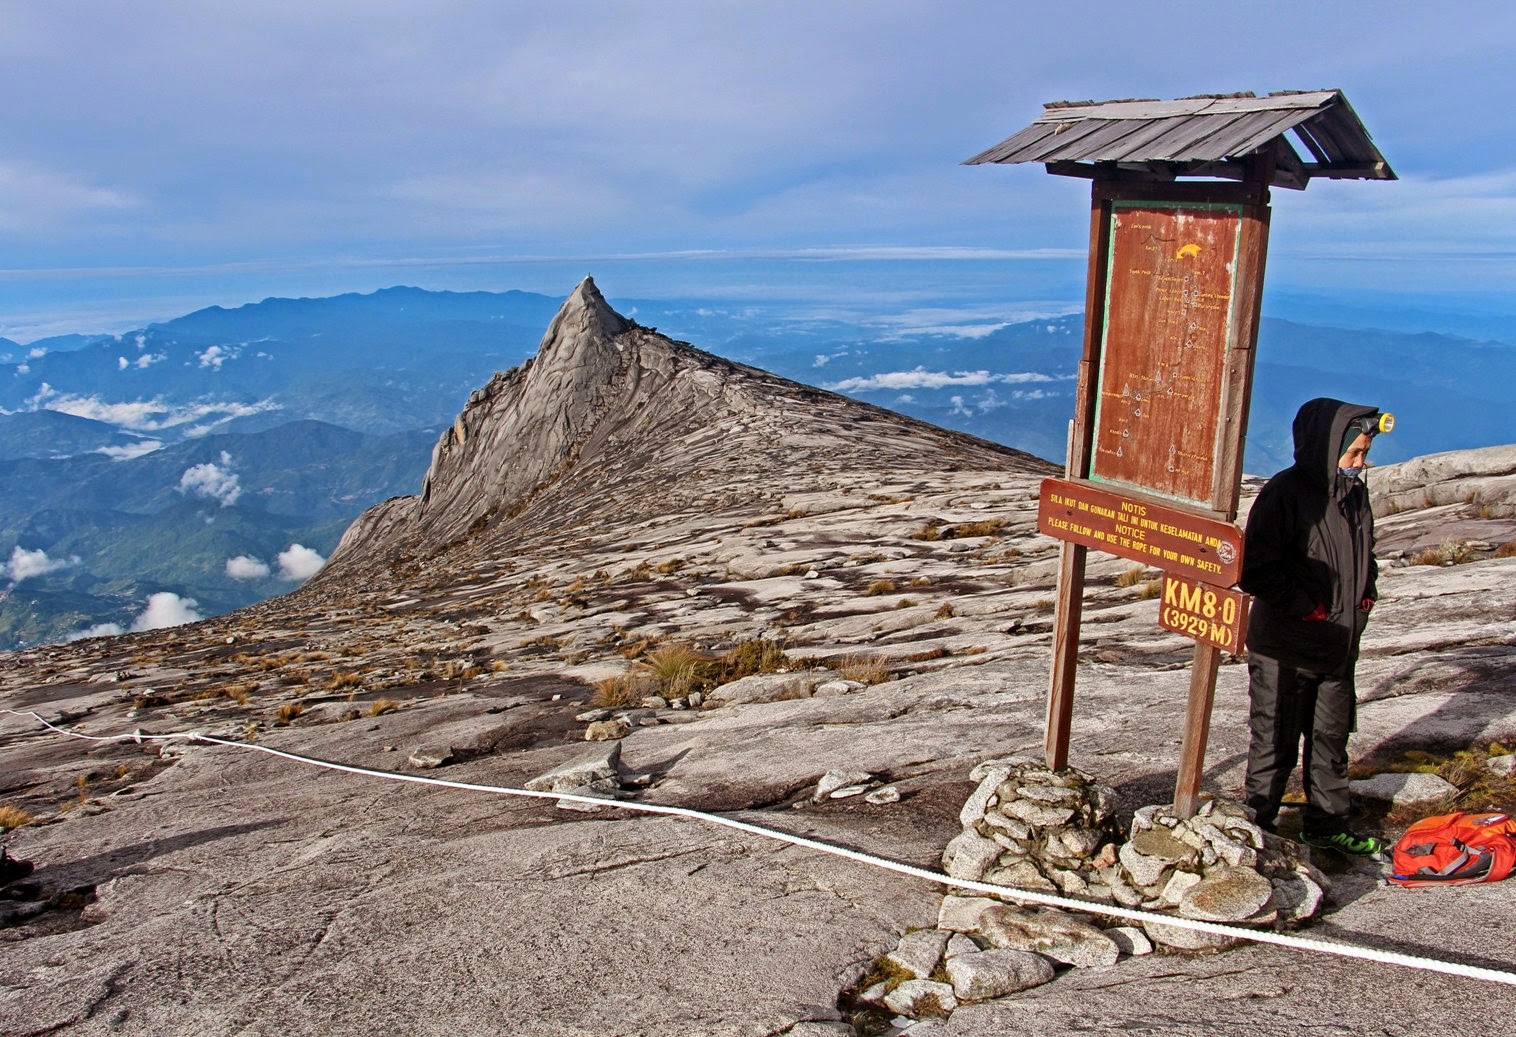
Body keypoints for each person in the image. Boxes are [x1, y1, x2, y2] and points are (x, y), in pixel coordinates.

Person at [1239, 397, 1393, 856]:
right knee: (1275, 739)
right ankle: (1257, 826)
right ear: (1327, 448)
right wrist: (1309, 608)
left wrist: (1367, 593)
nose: (1360, 465)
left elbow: (1364, 555)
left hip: (1337, 645)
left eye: (1364, 455)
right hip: (1285, 646)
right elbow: (1257, 569)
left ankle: (1325, 825)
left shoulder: (1354, 495)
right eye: (1354, 455)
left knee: (1330, 738)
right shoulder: (1284, 495)